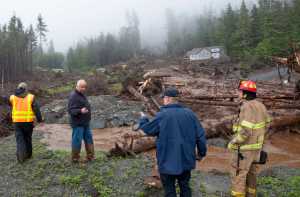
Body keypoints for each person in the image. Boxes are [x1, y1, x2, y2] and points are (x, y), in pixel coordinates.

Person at [138, 87, 207, 197]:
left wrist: (143, 119)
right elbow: (201, 136)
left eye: (164, 98)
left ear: (169, 99)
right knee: (185, 187)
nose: (163, 100)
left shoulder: (162, 115)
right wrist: (201, 153)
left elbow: (148, 129)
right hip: (186, 159)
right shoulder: (190, 114)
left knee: (169, 190)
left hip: (166, 161)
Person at [228, 80, 271, 197]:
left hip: (243, 150)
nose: (238, 93)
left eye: (240, 91)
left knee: (239, 175)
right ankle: (251, 195)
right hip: (257, 148)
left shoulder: (246, 107)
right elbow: (267, 125)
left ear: (245, 94)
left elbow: (246, 131)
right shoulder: (261, 105)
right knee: (252, 174)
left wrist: (234, 142)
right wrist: (259, 140)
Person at [1, 82, 43, 163]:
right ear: (26, 89)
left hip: (17, 122)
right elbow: (36, 109)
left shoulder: (12, 97)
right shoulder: (31, 97)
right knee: (28, 138)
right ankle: (29, 155)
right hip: (28, 122)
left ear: (18, 88)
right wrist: (40, 119)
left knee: (20, 139)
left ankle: (21, 157)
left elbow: (9, 104)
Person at [68, 79, 95, 163]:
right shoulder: (73, 96)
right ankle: (75, 158)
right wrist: (80, 111)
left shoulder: (82, 94)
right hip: (78, 124)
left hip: (85, 123)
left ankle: (90, 157)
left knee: (89, 139)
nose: (83, 88)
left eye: (84, 87)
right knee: (77, 141)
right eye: (81, 87)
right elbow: (70, 110)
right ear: (77, 86)